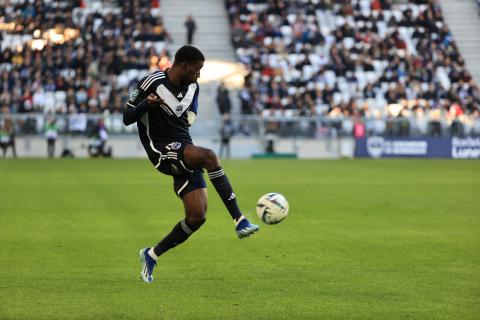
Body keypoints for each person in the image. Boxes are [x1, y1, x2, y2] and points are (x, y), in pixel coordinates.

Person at [123, 45, 259, 283]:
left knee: (197, 217)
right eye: (197, 69)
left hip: (183, 146)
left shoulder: (193, 87)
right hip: (161, 150)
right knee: (210, 157)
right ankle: (239, 220)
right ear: (183, 65)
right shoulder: (150, 82)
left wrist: (180, 114)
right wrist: (148, 105)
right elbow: (126, 117)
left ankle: (151, 254)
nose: (199, 75)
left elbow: (189, 118)